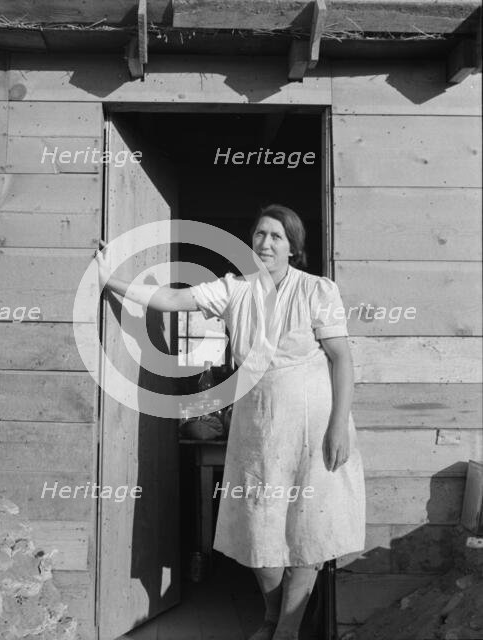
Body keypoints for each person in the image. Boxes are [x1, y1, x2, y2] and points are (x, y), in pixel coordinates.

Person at [94, 204, 366, 640]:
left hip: (313, 425)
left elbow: (342, 359)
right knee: (260, 531)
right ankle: (274, 614)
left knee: (308, 527)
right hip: (258, 424)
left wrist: (338, 425)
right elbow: (172, 300)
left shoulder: (318, 290)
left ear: (294, 246)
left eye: (277, 236)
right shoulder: (235, 289)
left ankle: (286, 630)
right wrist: (111, 280)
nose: (266, 243)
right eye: (260, 234)